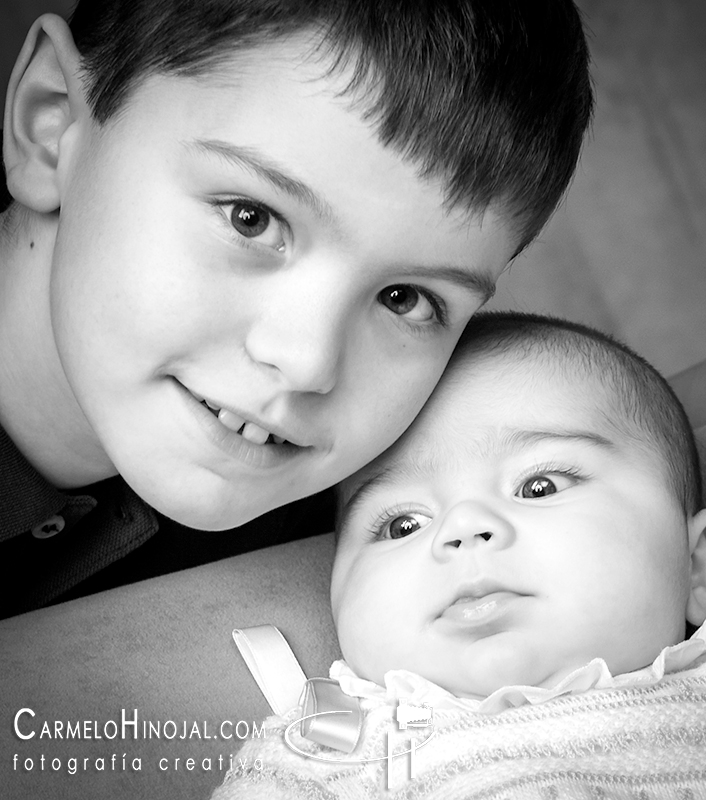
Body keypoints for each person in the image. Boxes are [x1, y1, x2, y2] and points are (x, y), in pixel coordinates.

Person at [0, 0, 594, 618]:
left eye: (405, 300)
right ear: (52, 125)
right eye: (249, 219)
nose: (309, 364)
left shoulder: (394, 545)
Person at [214, 312, 706, 798]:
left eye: (539, 486)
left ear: (698, 566)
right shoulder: (320, 754)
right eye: (402, 524)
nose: (463, 528)